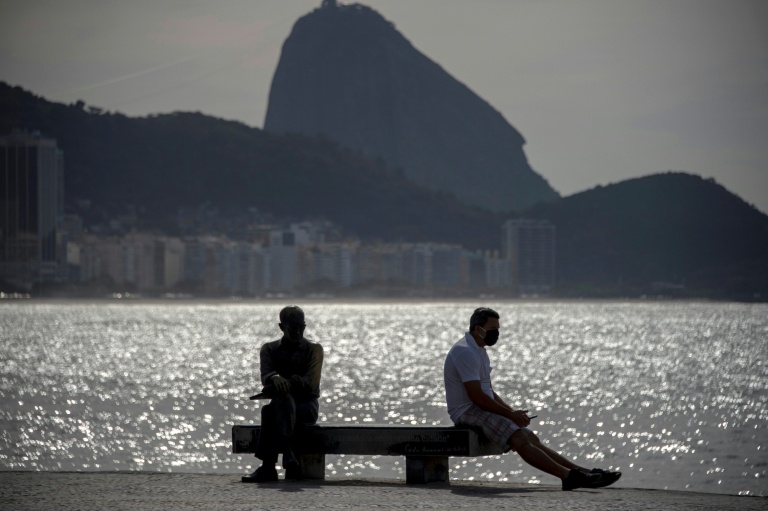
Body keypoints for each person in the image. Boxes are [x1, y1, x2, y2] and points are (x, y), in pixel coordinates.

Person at [443, 307, 621, 491]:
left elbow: (488, 391)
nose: (496, 333)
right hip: (467, 411)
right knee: (518, 437)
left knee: (531, 438)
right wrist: (510, 415)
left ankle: (584, 472)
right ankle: (569, 477)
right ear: (478, 328)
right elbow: (476, 396)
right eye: (493, 329)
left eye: (498, 328)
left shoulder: (479, 350)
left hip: (480, 407)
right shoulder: (465, 352)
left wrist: (513, 413)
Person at [242, 305, 324, 483]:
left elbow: (310, 384)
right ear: (281, 327)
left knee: (271, 410)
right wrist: (274, 378)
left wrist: (282, 382)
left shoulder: (314, 350)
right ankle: (287, 454)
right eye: (292, 327)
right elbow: (266, 377)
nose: (297, 331)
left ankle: (268, 467)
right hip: (281, 406)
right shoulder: (269, 349)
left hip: (306, 407)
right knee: (275, 406)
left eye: (301, 327)